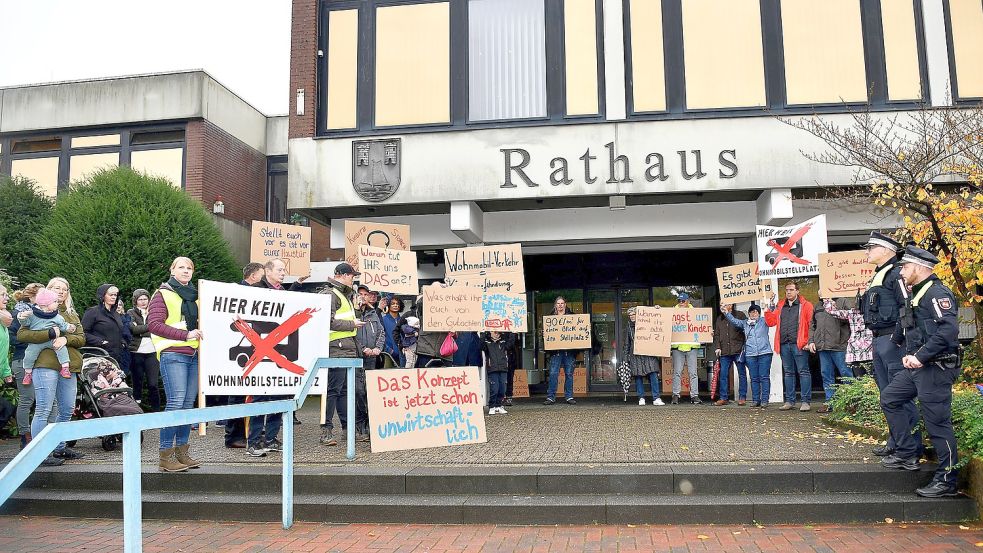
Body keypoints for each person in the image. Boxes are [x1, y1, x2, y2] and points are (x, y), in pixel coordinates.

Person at [879, 246, 962, 498]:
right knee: (890, 398)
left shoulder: (936, 294)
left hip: (935, 368)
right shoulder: (917, 293)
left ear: (919, 268)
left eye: (905, 267)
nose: (901, 272)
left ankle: (947, 479)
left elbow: (948, 331)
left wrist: (920, 356)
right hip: (917, 367)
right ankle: (906, 452)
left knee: (938, 424)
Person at [860, 231, 918, 458]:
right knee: (888, 395)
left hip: (893, 341)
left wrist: (898, 339)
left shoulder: (895, 274)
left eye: (871, 248)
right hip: (880, 339)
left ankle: (909, 446)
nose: (867, 252)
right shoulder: (880, 274)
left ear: (886, 250)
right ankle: (897, 441)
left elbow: (906, 308)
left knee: (899, 395)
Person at [18, 277, 86, 466]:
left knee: (67, 408)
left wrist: (66, 339)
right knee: (44, 409)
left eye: (64, 289)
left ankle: (59, 447)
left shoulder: (72, 313)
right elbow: (22, 334)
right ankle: (38, 453)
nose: (60, 291)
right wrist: (49, 334)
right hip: (45, 364)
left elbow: (81, 338)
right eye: (56, 288)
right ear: (48, 290)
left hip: (69, 365)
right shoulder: (35, 312)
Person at [147, 257, 203, 472]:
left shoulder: (197, 297)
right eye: (181, 267)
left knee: (187, 404)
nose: (186, 271)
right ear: (172, 270)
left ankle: (182, 453)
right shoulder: (162, 294)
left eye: (190, 268)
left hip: (194, 353)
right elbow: (153, 324)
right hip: (173, 353)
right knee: (176, 402)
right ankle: (165, 456)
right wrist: (185, 334)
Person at [318, 262, 365, 447]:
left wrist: (357, 311)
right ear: (343, 275)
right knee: (333, 391)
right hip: (336, 348)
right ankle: (326, 431)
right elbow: (327, 322)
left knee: (344, 391)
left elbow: (345, 319)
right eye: (352, 276)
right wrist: (353, 324)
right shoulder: (330, 294)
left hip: (345, 347)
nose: (353, 279)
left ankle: (347, 430)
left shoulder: (343, 295)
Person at [764, 282, 814, 411]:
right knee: (788, 373)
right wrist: (770, 306)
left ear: (797, 291)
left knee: (803, 372)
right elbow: (770, 322)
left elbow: (811, 324)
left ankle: (805, 401)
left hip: (799, 344)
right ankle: (790, 401)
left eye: (791, 290)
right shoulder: (780, 305)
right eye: (787, 290)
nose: (788, 292)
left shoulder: (806, 305)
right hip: (784, 344)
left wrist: (809, 341)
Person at [9, 283, 44, 448]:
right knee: (27, 399)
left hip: (40, 362)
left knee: (44, 400)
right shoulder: (16, 314)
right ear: (32, 297)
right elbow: (12, 338)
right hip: (22, 361)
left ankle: (41, 434)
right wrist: (34, 338)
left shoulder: (43, 314)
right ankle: (25, 436)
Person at [18, 288, 77, 381]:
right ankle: (28, 373)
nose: (57, 303)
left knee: (61, 348)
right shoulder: (32, 314)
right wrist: (22, 317)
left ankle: (65, 368)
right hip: (36, 343)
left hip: (52, 341)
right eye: (55, 301)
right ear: (45, 304)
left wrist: (70, 328)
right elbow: (25, 324)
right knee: (29, 354)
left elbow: (62, 325)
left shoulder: (57, 316)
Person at [722, 304, 773, 408]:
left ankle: (765, 400)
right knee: (754, 378)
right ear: (749, 313)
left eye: (756, 312)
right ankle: (755, 400)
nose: (754, 313)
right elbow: (734, 321)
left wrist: (770, 305)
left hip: (764, 353)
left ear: (759, 313)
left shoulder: (764, 321)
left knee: (764, 377)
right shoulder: (745, 323)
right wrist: (726, 312)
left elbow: (772, 317)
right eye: (752, 312)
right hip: (750, 354)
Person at [807, 296, 852, 413]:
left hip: (839, 346)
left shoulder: (843, 301)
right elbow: (812, 325)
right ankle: (829, 402)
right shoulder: (818, 305)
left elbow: (851, 319)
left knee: (846, 374)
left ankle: (851, 403)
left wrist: (833, 306)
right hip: (822, 346)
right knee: (826, 375)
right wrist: (811, 341)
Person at [354, 284, 385, 441]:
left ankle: (368, 426)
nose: (364, 297)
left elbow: (381, 333)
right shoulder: (353, 313)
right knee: (358, 392)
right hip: (357, 358)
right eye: (361, 294)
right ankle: (359, 427)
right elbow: (352, 336)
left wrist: (378, 348)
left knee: (369, 393)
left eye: (366, 294)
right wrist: (364, 348)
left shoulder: (373, 314)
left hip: (371, 359)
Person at [127, 289, 161, 411]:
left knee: (153, 384)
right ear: (135, 301)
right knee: (137, 384)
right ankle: (137, 413)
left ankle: (157, 413)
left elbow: (160, 327)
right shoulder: (130, 313)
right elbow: (134, 330)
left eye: (145, 299)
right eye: (140, 299)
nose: (143, 302)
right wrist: (152, 327)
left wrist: (141, 329)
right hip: (136, 353)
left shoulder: (154, 312)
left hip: (153, 352)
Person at [823, 296, 873, 376]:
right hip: (856, 352)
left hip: (870, 352)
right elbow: (832, 311)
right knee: (859, 380)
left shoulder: (874, 313)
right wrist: (827, 297)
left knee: (873, 380)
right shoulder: (852, 313)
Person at [544, 296, 580, 406]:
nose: (560, 305)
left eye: (562, 303)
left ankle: (569, 396)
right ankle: (551, 397)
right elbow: (546, 335)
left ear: (565, 304)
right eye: (558, 303)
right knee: (553, 373)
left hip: (568, 351)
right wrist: (545, 335)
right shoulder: (550, 319)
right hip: (556, 352)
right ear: (555, 305)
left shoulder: (572, 317)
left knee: (569, 374)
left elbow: (578, 331)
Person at [624, 306, 663, 406]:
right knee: (638, 376)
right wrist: (625, 356)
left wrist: (656, 309)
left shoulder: (648, 322)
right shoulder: (629, 326)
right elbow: (627, 343)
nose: (632, 316)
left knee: (653, 374)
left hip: (648, 352)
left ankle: (656, 398)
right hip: (635, 354)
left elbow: (658, 319)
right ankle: (641, 397)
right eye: (630, 315)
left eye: (633, 314)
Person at [82, 284, 127, 370]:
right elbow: (83, 333)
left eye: (115, 295)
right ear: (103, 296)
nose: (114, 297)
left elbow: (117, 331)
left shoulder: (116, 314)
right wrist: (101, 342)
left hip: (116, 356)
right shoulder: (92, 312)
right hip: (98, 355)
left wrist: (122, 342)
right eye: (111, 295)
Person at [712, 303, 747, 406]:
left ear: (731, 305)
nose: (722, 305)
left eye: (724, 304)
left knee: (742, 374)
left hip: (738, 349)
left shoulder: (740, 315)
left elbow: (745, 330)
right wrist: (718, 346)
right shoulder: (719, 318)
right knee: (723, 374)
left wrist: (744, 346)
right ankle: (723, 397)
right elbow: (717, 334)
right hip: (725, 351)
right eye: (721, 304)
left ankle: (742, 397)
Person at [670, 293, 702, 405]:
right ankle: (675, 395)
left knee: (693, 373)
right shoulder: (673, 312)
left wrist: (707, 332)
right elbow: (664, 322)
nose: (681, 303)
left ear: (688, 301)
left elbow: (702, 326)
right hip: (678, 347)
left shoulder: (695, 313)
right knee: (677, 372)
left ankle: (694, 396)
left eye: (683, 301)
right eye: (679, 301)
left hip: (691, 346)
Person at [482, 331, 510, 414]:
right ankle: (492, 406)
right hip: (492, 369)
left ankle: (499, 405)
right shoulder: (487, 343)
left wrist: (513, 332)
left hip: (503, 368)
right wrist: (483, 333)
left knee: (502, 389)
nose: (496, 334)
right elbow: (480, 346)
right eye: (494, 332)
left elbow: (510, 343)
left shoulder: (503, 342)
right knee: (494, 389)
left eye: (498, 332)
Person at [381, 296, 404, 367]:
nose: (396, 305)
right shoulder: (383, 320)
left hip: (403, 353)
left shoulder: (403, 320)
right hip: (388, 354)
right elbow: (380, 337)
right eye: (393, 303)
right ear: (388, 306)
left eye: (397, 304)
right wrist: (389, 350)